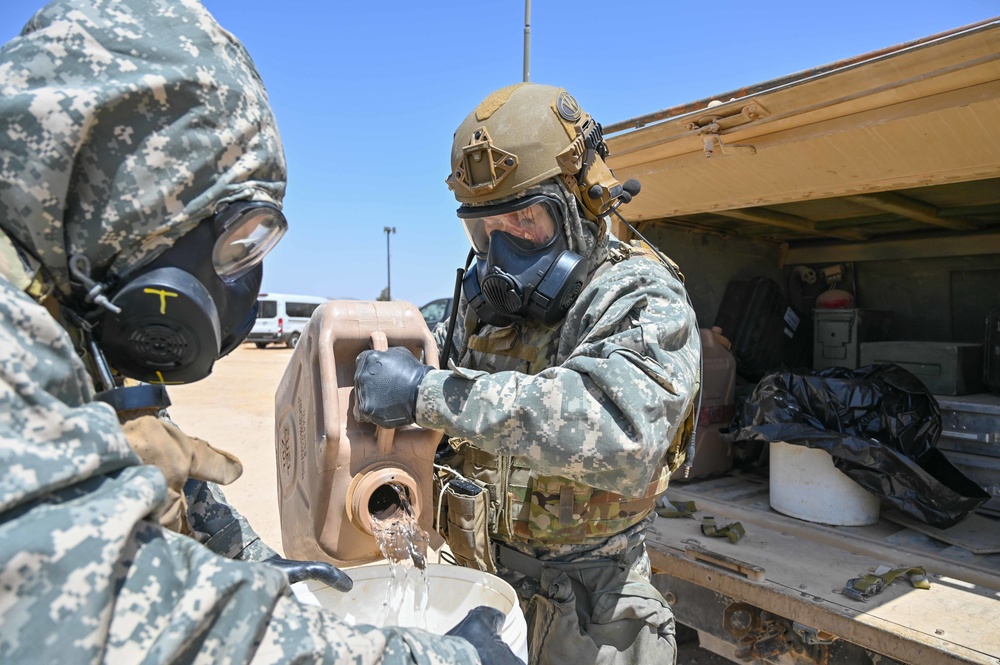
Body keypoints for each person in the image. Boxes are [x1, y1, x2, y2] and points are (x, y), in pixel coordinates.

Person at [0, 2, 518, 663]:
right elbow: (108, 617)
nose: (238, 281)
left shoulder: (52, 316)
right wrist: (446, 658)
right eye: (238, 241)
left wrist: (254, 563)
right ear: (131, 199)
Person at [353, 83, 702, 664]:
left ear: (584, 203)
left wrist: (423, 393)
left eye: (523, 220)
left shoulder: (638, 297)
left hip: (592, 614)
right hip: (478, 592)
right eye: (484, 231)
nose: (500, 253)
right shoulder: (481, 308)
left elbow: (620, 431)